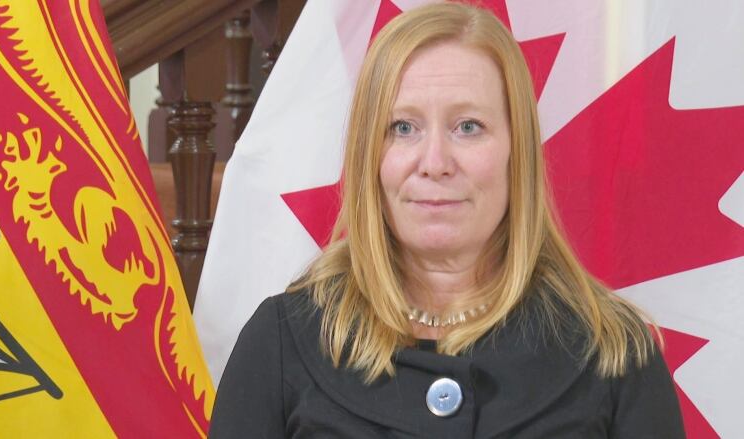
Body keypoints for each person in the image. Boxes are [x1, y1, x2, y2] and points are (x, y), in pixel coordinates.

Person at [208, 3, 685, 438]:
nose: (434, 161)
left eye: (468, 127)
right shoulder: (281, 342)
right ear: (369, 157)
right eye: (403, 128)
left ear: (515, 155)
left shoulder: (615, 352)